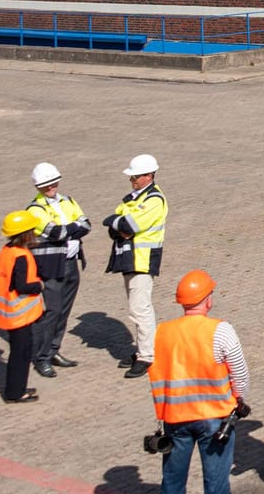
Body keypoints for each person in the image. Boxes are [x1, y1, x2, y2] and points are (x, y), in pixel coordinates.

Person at [150, 270, 249, 494]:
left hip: (175, 417)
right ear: (208, 299)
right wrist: (238, 398)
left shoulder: (162, 331)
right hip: (214, 418)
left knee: (173, 482)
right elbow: (240, 374)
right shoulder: (221, 330)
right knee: (216, 484)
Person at [104, 153, 167, 378]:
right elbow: (116, 223)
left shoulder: (153, 200)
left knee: (141, 309)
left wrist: (118, 223)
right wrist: (117, 223)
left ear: (149, 176)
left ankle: (146, 356)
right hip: (130, 258)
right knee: (136, 308)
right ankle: (142, 350)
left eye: (135, 177)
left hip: (143, 259)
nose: (132, 180)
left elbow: (128, 224)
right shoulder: (133, 198)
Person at [26, 162, 91, 378]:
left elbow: (87, 225)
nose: (50, 187)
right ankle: (42, 357)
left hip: (72, 262)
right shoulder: (34, 210)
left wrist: (69, 230)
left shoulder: (68, 201)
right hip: (51, 266)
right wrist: (73, 229)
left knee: (64, 310)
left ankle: (54, 350)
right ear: (38, 187)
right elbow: (56, 233)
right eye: (45, 185)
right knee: (52, 311)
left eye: (53, 183)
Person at [0, 210, 46, 404]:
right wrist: (39, 285)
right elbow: (22, 286)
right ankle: (15, 392)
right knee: (21, 354)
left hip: (10, 313)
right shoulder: (21, 256)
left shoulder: (7, 250)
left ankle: (17, 387)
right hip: (19, 315)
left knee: (18, 352)